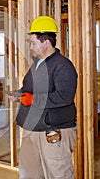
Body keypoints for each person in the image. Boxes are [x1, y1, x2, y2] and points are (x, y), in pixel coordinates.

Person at [11, 16, 78, 179]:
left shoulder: (63, 66)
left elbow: (64, 97)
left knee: (58, 174)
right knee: (29, 174)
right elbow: (31, 89)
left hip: (52, 131)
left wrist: (33, 99)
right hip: (31, 128)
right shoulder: (38, 64)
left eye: (33, 42)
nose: (31, 47)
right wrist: (19, 94)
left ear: (46, 42)